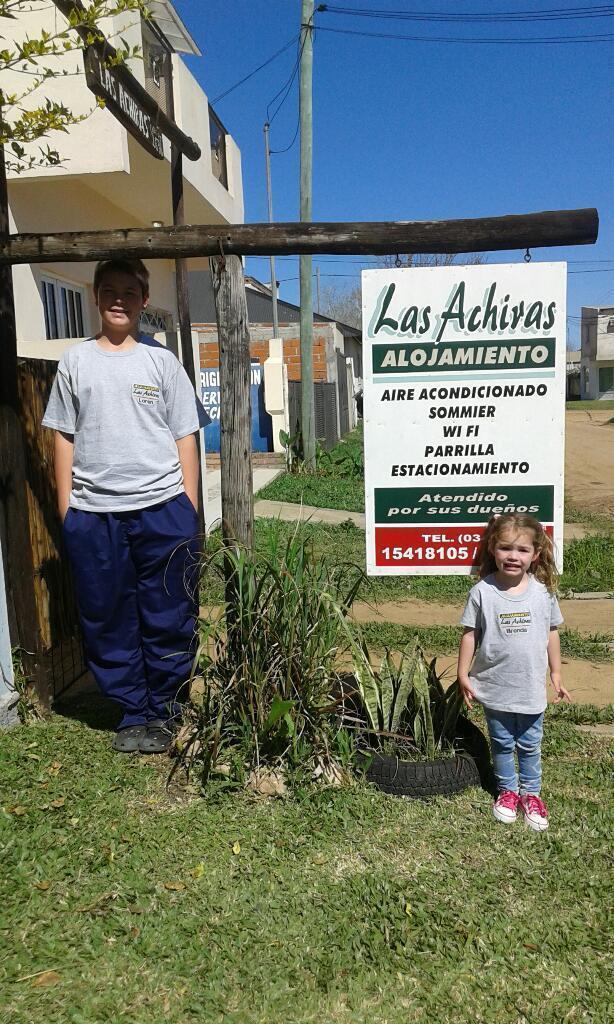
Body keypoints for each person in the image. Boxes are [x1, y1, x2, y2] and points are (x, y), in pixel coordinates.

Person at [42, 258, 201, 754]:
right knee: (107, 614)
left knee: (169, 611)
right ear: (94, 296)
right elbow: (63, 438)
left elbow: (186, 436)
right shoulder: (75, 362)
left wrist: (188, 509)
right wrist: (67, 510)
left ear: (143, 300)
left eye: (128, 292)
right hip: (94, 514)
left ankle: (167, 707)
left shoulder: (162, 362)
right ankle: (133, 711)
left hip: (162, 507)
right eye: (108, 290)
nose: (118, 299)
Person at [457, 513, 571, 831]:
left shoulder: (543, 592)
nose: (513, 556)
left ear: (536, 554)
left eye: (522, 550)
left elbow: (552, 633)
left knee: (530, 742)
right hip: (495, 684)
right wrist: (462, 673)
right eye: (506, 548)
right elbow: (470, 634)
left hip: (530, 686)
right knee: (503, 742)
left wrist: (556, 674)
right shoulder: (482, 592)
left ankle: (531, 795)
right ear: (493, 549)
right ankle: (508, 792)